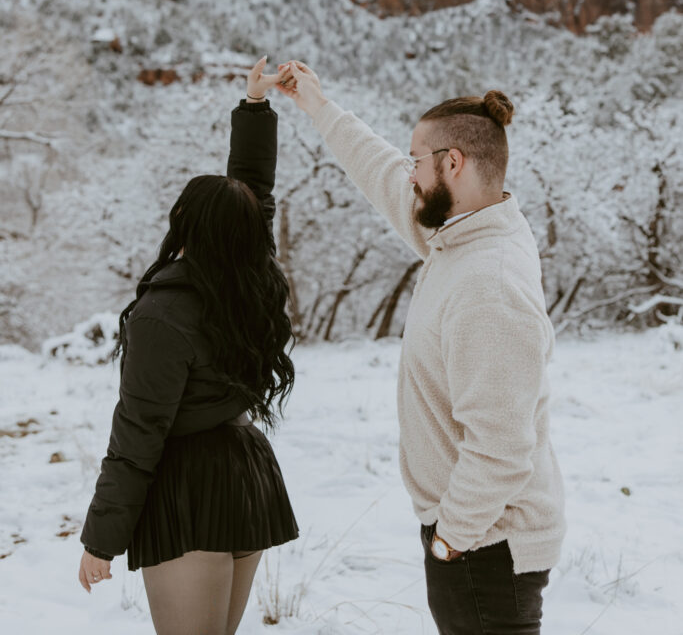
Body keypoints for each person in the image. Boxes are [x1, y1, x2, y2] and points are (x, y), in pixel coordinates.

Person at [278, 61, 565, 635]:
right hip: (476, 539)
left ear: (452, 163)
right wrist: (319, 106)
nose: (409, 174)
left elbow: (503, 445)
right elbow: (383, 174)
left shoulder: (489, 282)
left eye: (418, 161)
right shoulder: (466, 236)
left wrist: (451, 539)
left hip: (486, 547)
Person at [78, 57, 299, 635]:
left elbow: (137, 435)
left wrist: (100, 541)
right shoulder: (251, 276)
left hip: (190, 491)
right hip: (245, 472)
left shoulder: (162, 314)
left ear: (185, 225)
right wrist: (254, 107)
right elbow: (253, 192)